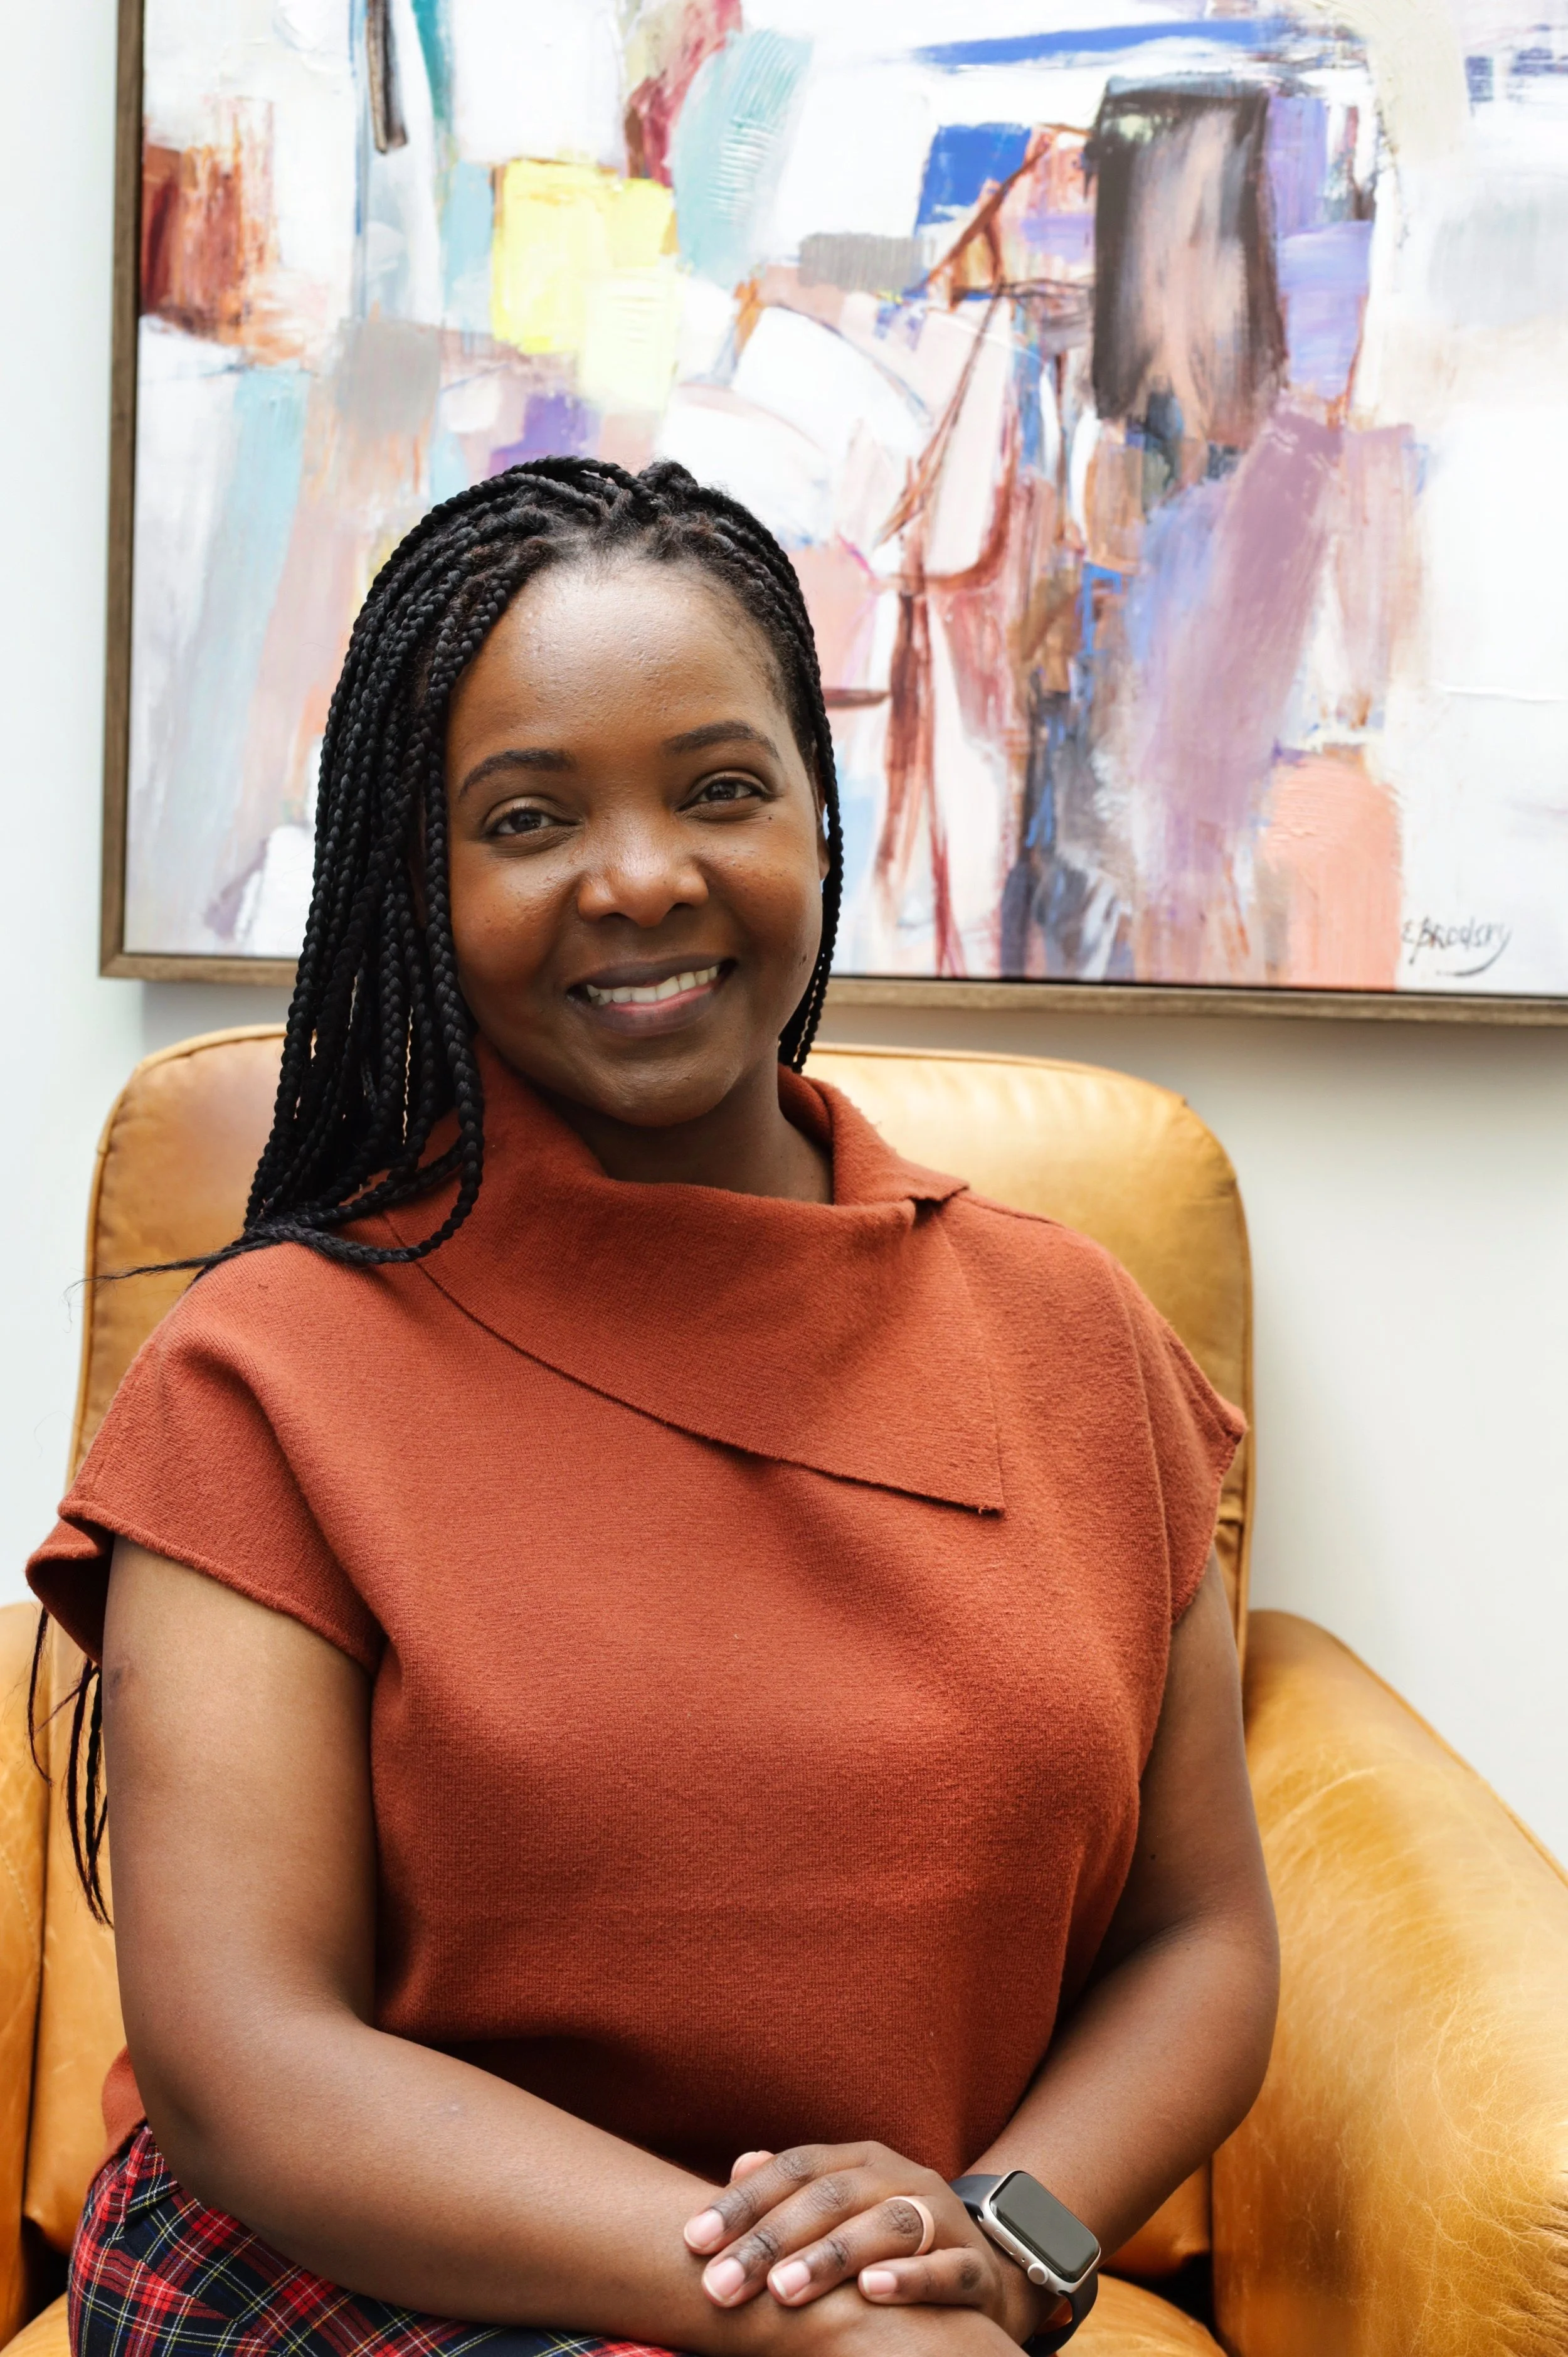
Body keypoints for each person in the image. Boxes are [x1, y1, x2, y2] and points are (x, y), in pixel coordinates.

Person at [29, 457, 1278, 2357]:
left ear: (814, 811)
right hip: (364, 2280)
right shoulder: (271, 1370)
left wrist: (994, 2236)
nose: (641, 874)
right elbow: (249, 2063)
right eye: (527, 817)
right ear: (416, 880)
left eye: (720, 788)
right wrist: (807, 2305)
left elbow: (1201, 1940)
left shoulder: (1070, 1328)